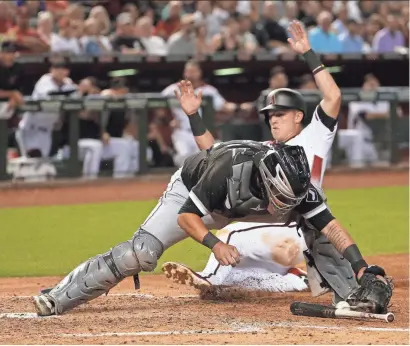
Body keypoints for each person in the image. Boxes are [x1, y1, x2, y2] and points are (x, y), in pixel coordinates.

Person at [161, 21, 392, 311]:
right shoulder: (265, 153)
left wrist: (308, 52)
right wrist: (194, 116)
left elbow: (333, 97)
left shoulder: (315, 134)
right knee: (241, 250)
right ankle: (292, 279)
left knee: (230, 235)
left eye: (280, 114)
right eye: (270, 114)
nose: (273, 119)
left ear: (298, 116)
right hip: (279, 225)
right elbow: (212, 153)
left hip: (302, 224)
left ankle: (209, 278)